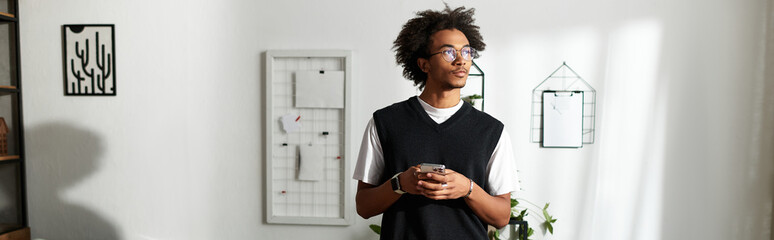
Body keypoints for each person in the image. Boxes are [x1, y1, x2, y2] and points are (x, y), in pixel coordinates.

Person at [352, 5, 519, 240]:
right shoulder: (385, 122)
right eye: (449, 52)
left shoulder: (491, 131)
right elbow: (364, 206)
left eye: (467, 52)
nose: (461, 60)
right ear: (424, 65)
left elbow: (502, 216)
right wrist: (401, 183)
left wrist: (467, 189)